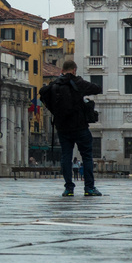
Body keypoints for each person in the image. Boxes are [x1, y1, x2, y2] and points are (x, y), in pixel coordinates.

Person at [39, 59, 102, 197]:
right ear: (74, 70)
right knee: (86, 156)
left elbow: (43, 94)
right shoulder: (77, 82)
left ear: (61, 70)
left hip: (62, 127)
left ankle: (68, 188)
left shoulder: (54, 85)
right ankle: (89, 188)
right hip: (80, 126)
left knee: (66, 157)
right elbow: (97, 88)